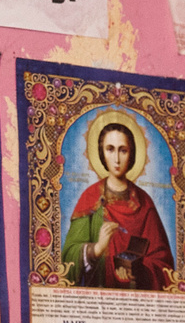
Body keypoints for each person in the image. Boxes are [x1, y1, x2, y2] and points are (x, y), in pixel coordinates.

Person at [61, 117, 175, 291]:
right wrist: (97, 249)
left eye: (123, 150)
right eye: (110, 150)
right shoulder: (90, 198)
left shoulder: (144, 203)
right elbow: (68, 255)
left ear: (132, 155)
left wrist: (138, 271)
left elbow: (163, 262)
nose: (116, 159)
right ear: (101, 153)